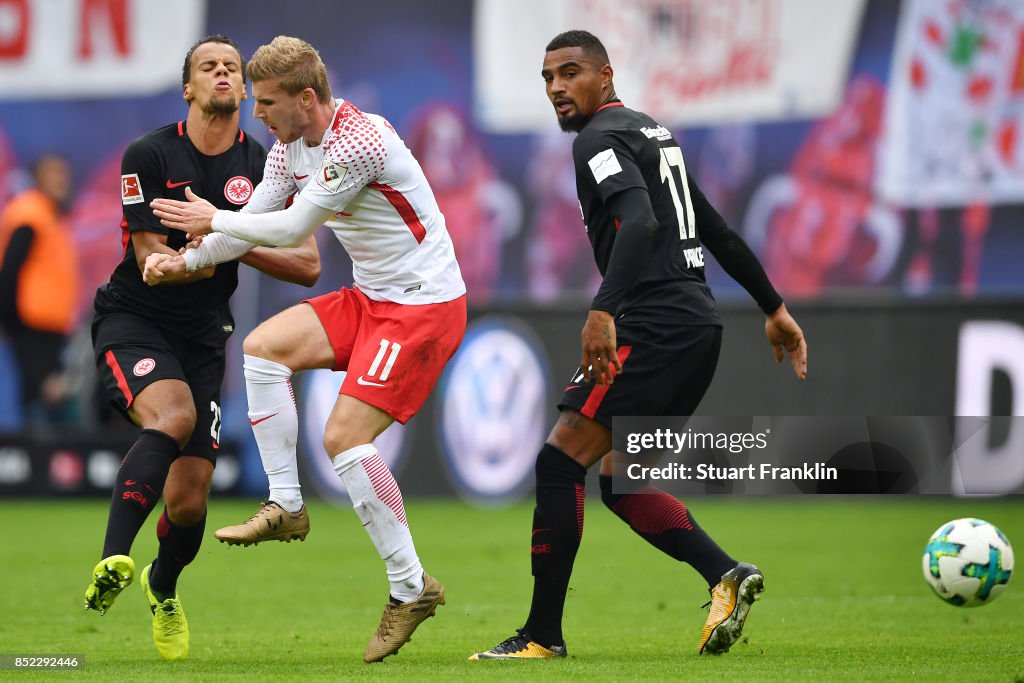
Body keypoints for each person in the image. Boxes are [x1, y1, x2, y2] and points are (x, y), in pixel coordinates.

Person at [470, 30, 808, 661]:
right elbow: (715, 228)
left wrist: (603, 309)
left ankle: (542, 636)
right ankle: (725, 575)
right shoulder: (652, 133)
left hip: (653, 326)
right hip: (696, 326)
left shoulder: (600, 139)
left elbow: (642, 221)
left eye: (570, 73)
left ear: (606, 74)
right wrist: (774, 307)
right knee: (622, 483)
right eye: (547, 78)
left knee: (558, 462)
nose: (557, 88)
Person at [146, 35, 466, 663]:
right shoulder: (289, 146)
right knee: (263, 348)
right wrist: (184, 261)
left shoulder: (360, 139)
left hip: (423, 305)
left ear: (308, 98)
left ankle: (410, 588)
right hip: (372, 297)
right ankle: (288, 504)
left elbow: (291, 231)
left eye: (265, 101)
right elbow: (254, 220)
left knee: (344, 440)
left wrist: (212, 219)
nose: (253, 110)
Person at [81, 35, 321, 662]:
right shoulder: (150, 153)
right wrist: (201, 241)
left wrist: (222, 225)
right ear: (187, 88)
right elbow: (152, 258)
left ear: (244, 90)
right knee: (175, 415)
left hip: (204, 336)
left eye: (232, 68)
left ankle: (162, 586)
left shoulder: (266, 164)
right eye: (208, 66)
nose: (222, 73)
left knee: (188, 504)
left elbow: (307, 264)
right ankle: (114, 557)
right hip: (135, 318)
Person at [0, 153, 79, 425]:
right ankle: (35, 463)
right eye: (52, 174)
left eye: (63, 174)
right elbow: (9, 270)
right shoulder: (30, 214)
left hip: (52, 327)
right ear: (36, 179)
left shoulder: (52, 216)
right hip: (31, 325)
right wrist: (11, 322)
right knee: (39, 397)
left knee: (49, 397)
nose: (60, 181)